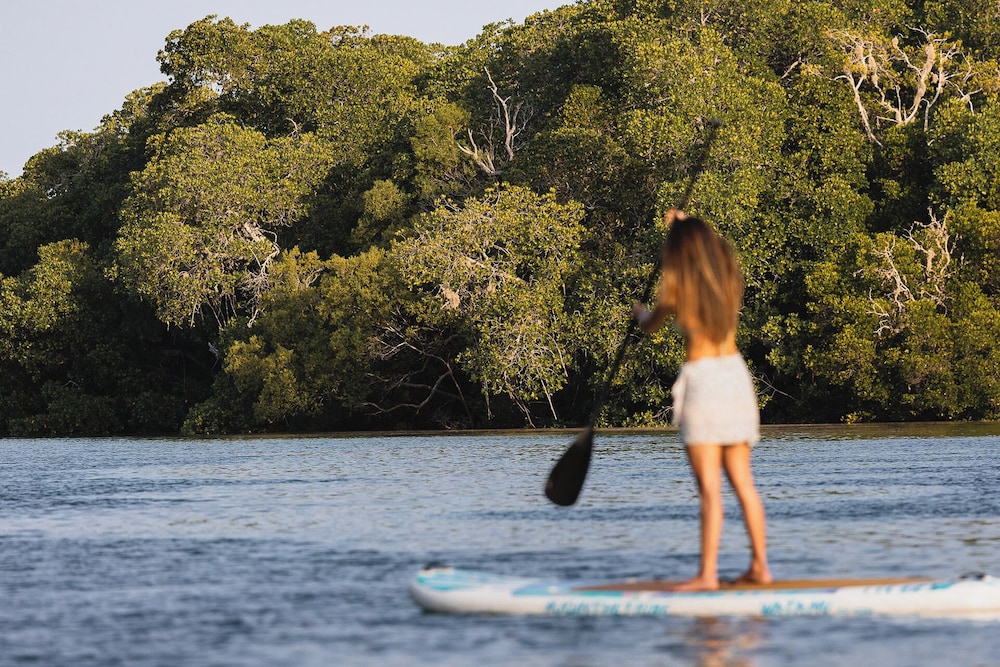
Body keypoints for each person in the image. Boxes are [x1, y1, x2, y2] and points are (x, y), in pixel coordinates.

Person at [631, 209, 771, 592]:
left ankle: (707, 575)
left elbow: (651, 325)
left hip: (705, 383)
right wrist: (688, 223)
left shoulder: (677, 287)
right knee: (743, 482)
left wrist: (640, 313)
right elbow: (718, 247)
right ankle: (760, 566)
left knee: (710, 487)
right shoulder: (728, 277)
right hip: (736, 377)